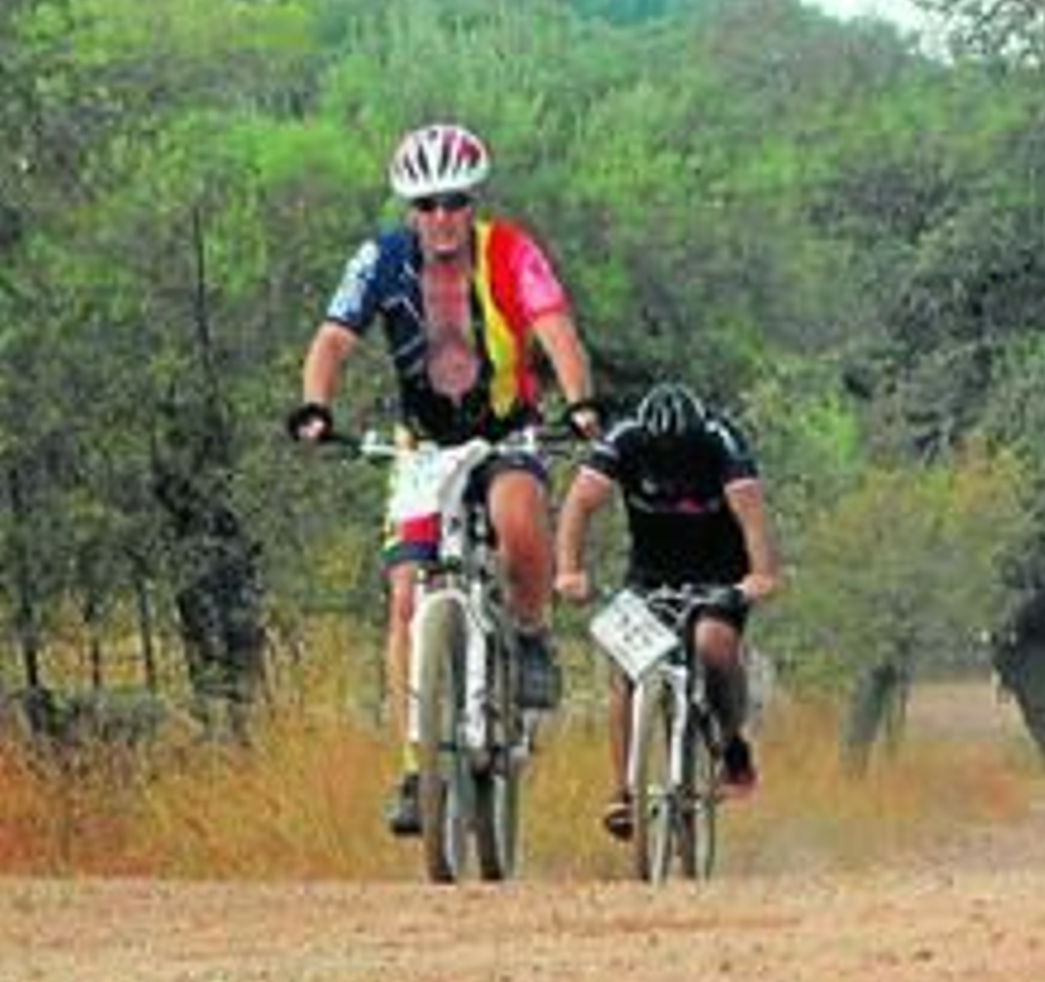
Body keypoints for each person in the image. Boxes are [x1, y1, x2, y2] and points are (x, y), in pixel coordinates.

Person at [286, 122, 600, 835]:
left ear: (472, 202)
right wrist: (315, 404)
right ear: (410, 210)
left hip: (504, 430)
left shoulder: (511, 251)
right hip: (424, 444)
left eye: (455, 201)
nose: (442, 218)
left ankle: (530, 635)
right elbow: (333, 337)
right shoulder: (381, 258)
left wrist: (579, 402)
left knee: (519, 520)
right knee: (405, 597)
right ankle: (414, 766)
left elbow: (555, 327)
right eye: (426, 205)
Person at [554, 382, 780, 841]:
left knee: (712, 644)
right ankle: (623, 791)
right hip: (651, 573)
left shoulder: (721, 440)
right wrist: (569, 570)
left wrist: (760, 575)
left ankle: (732, 744)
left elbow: (751, 514)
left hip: (719, 571)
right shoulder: (624, 439)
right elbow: (579, 504)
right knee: (625, 667)